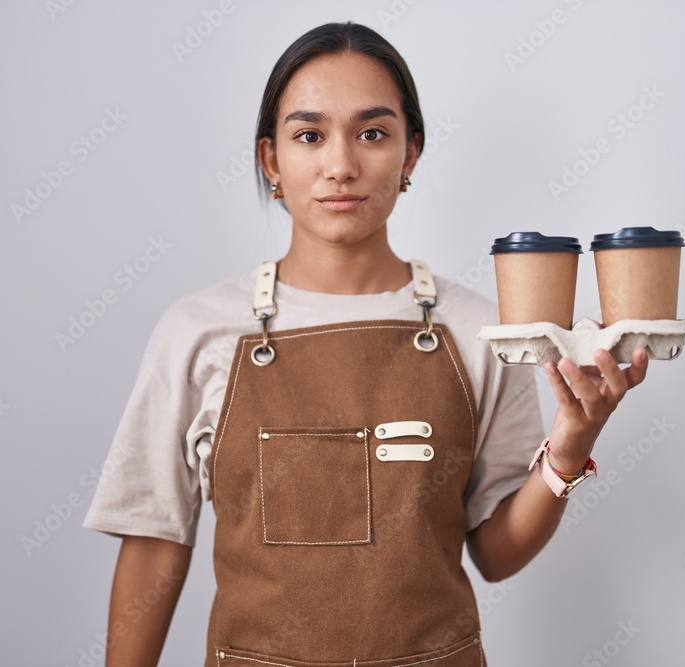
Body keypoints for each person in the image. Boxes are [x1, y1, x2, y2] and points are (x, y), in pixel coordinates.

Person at [83, 21, 648, 666]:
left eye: (373, 134)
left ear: (410, 155)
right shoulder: (199, 332)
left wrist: (570, 449)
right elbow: (157, 542)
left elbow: (495, 552)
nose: (341, 166)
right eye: (309, 135)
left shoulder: (480, 331)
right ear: (271, 160)